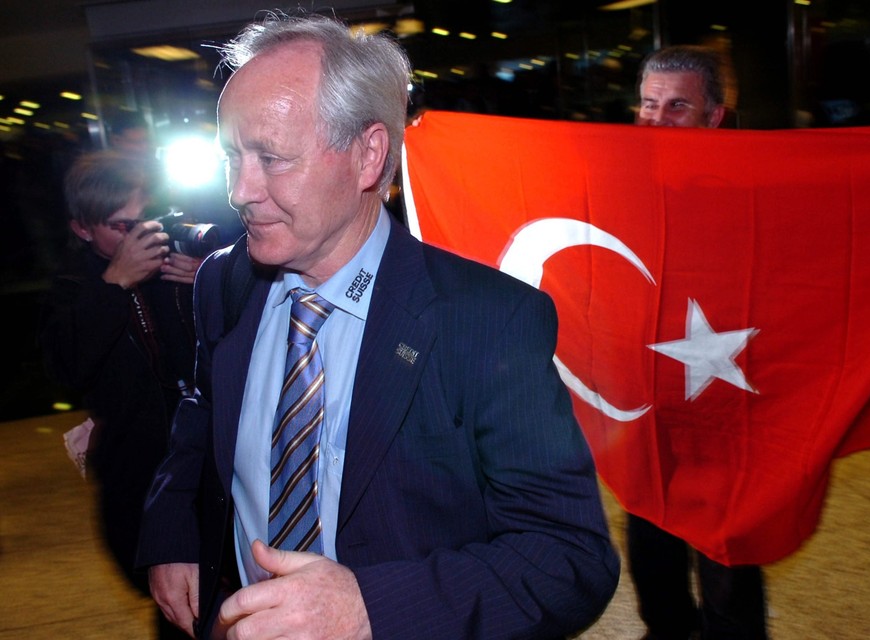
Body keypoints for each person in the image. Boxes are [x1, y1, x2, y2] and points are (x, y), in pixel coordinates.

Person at [136, 10, 619, 640]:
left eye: (270, 158)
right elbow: (201, 413)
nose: (239, 190)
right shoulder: (223, 283)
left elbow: (569, 560)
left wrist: (371, 607)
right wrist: (173, 528)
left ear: (368, 156)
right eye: (232, 155)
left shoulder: (487, 321)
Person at [628, 45, 769, 640]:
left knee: (727, 556)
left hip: (729, 399)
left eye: (677, 106)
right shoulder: (617, 180)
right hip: (647, 400)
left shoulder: (756, 188)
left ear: (714, 115)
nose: (657, 119)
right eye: (649, 105)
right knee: (651, 551)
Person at [39, 150, 201, 640]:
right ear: (82, 229)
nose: (136, 238)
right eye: (118, 226)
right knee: (177, 606)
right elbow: (66, 370)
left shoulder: (175, 264)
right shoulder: (73, 289)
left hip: (205, 461)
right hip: (140, 478)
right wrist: (114, 286)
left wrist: (211, 284)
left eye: (141, 221)